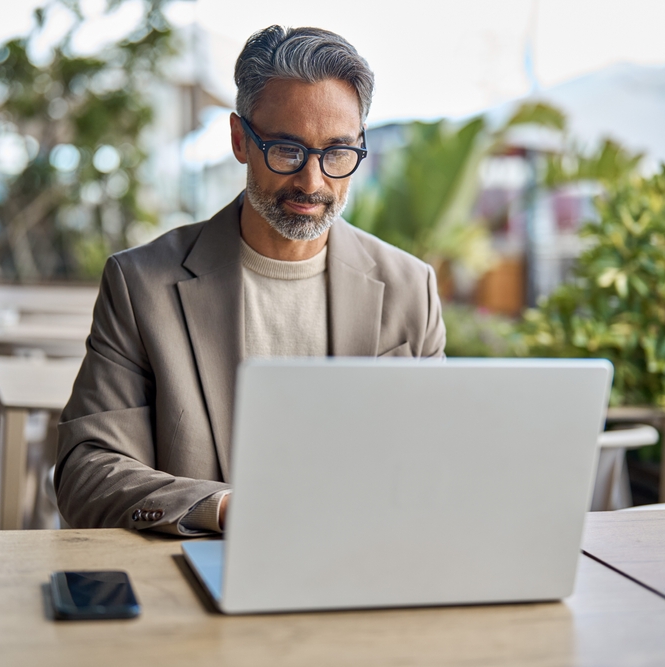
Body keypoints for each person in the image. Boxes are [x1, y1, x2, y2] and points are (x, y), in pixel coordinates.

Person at [55, 25, 446, 535]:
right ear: (240, 140)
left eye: (337, 153)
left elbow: (437, 462)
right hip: (204, 573)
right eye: (287, 150)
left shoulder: (410, 289)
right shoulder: (140, 285)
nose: (313, 181)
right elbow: (87, 470)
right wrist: (222, 510)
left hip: (365, 567)